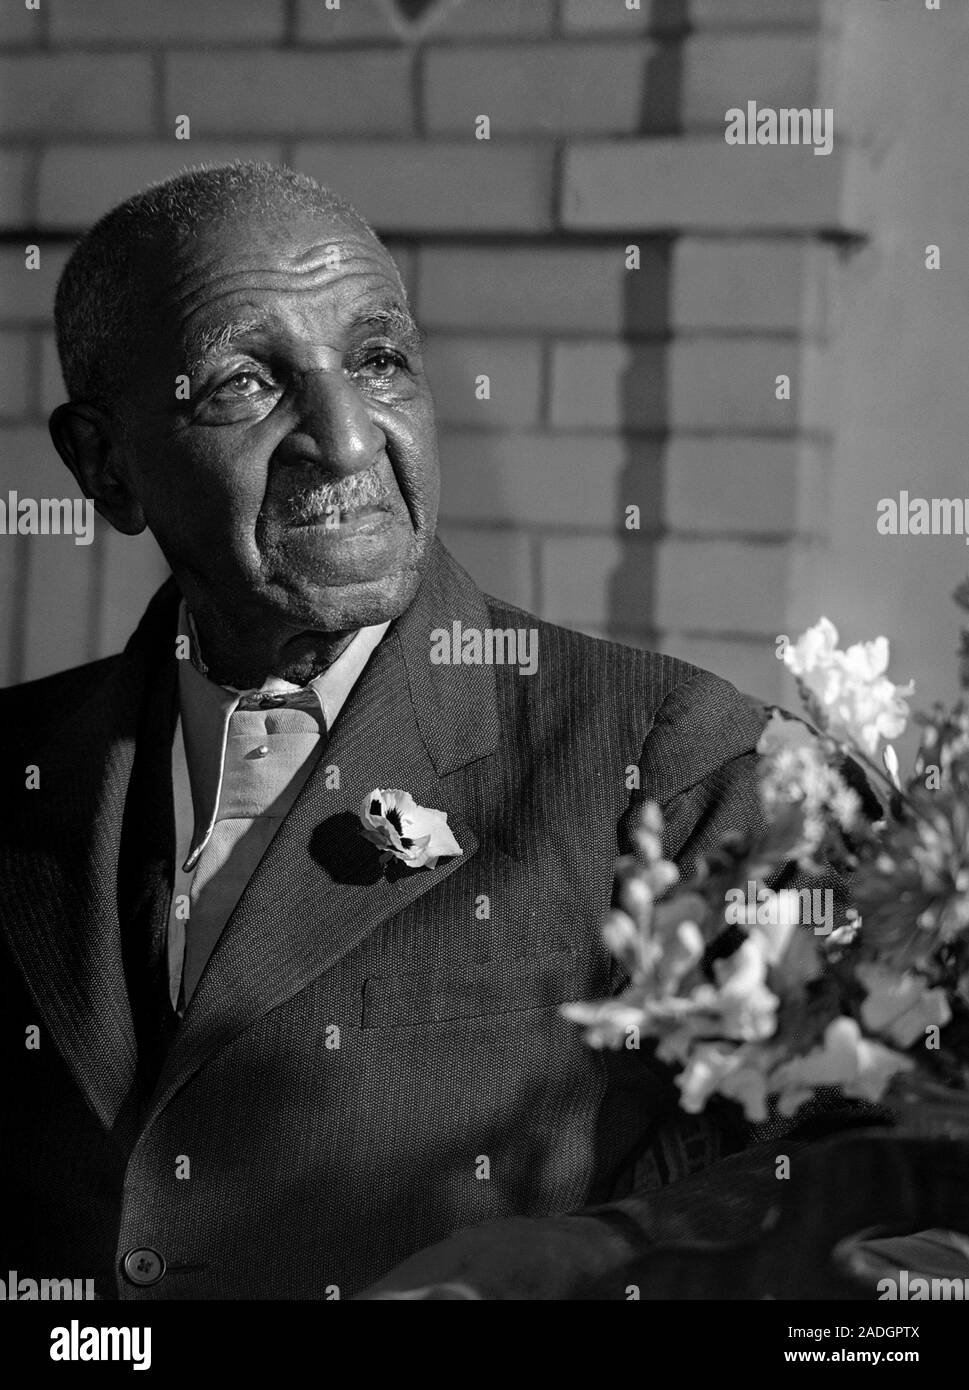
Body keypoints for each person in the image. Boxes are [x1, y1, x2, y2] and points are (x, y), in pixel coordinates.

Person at [1, 161, 827, 1301]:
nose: (345, 438)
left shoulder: (677, 763)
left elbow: (861, 1172)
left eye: (380, 360)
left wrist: (589, 1268)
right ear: (103, 464)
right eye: (244, 383)